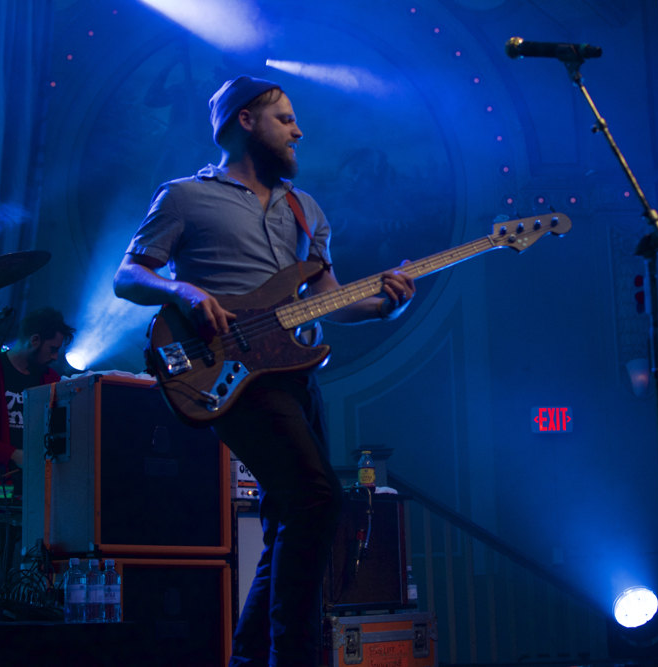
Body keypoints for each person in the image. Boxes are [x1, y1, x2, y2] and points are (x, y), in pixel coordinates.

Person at [113, 76, 415, 667]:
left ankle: (252, 658)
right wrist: (182, 290)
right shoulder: (183, 196)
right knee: (317, 497)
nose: (299, 130)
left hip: (296, 374)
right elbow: (129, 275)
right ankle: (294, 657)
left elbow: (327, 296)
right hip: (225, 369)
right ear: (245, 120)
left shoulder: (308, 211)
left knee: (290, 514)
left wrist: (386, 304)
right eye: (285, 118)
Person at [0, 307, 75, 497]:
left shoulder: (52, 379)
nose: (55, 357)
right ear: (34, 340)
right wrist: (12, 454)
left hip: (39, 487)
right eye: (53, 349)